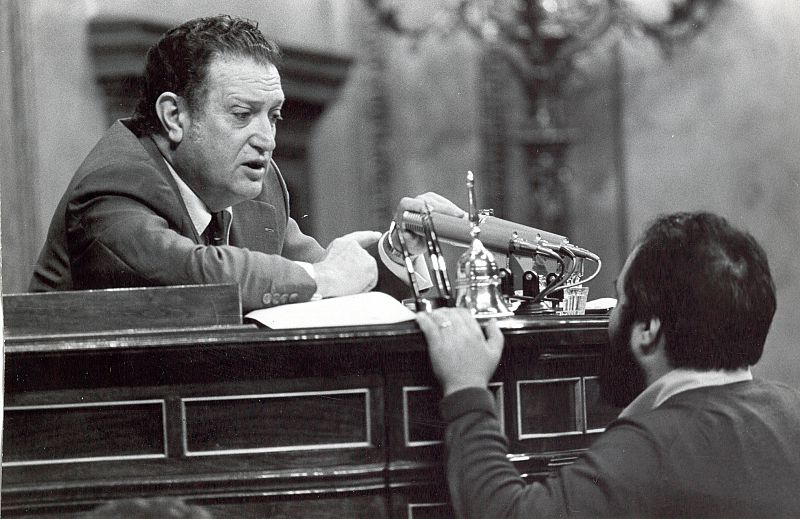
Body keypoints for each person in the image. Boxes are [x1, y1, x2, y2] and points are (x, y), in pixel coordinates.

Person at [29, 15, 462, 312]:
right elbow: (192, 275)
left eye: (273, 116)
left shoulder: (259, 182)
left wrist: (396, 250)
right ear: (174, 117)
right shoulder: (113, 184)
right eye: (241, 115)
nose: (267, 139)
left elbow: (327, 278)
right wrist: (323, 277)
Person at [416, 211, 800, 518]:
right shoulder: (792, 410)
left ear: (648, 329)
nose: (612, 315)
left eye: (619, 299)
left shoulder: (650, 449)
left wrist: (466, 389)